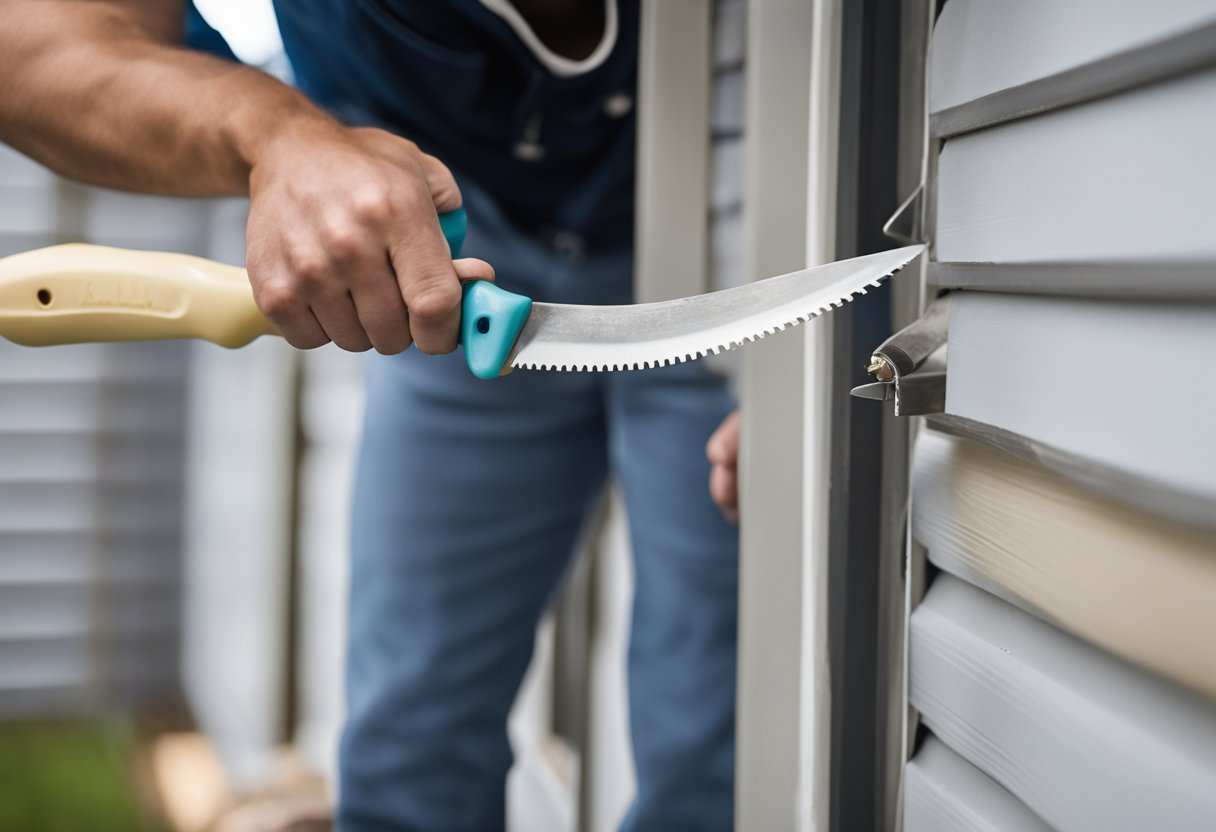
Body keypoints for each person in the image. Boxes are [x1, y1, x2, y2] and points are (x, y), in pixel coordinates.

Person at [0, 1, 743, 829]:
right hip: (455, 278)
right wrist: (277, 137)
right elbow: (30, 49)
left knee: (718, 760)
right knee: (409, 748)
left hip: (736, 249)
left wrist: (812, 377)